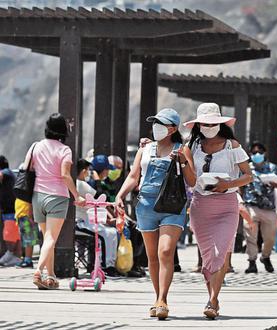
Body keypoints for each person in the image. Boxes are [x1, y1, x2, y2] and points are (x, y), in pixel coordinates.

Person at [115, 108, 196, 320]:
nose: (156, 126)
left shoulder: (182, 150)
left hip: (172, 206)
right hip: (145, 204)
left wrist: (183, 162)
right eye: (155, 122)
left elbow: (192, 181)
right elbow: (134, 176)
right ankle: (157, 297)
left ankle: (163, 299)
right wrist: (120, 196)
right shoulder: (145, 149)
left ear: (172, 129)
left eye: (161, 123)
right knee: (152, 256)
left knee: (165, 252)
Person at [185, 103, 252, 319]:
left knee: (219, 253)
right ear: (198, 125)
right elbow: (188, 176)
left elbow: (248, 175)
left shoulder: (232, 145)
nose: (209, 126)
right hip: (200, 205)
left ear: (220, 123)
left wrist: (227, 184)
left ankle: (212, 300)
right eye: (205, 123)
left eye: (213, 123)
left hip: (226, 205)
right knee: (207, 257)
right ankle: (212, 299)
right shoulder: (192, 145)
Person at [29, 113, 85, 289]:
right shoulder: (64, 150)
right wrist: (77, 196)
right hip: (57, 197)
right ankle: (38, 271)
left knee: (47, 238)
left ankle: (51, 276)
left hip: (38, 196)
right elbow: (64, 175)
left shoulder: (36, 147)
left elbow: (29, 169)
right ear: (63, 130)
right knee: (51, 238)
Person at [241, 141, 277, 274]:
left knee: (270, 237)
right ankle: (252, 261)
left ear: (264, 153)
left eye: (260, 152)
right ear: (250, 154)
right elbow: (240, 186)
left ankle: (265, 256)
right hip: (251, 206)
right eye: (254, 153)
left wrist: (274, 183)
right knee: (250, 235)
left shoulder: (273, 167)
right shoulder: (246, 168)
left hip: (269, 208)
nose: (257, 154)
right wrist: (241, 202)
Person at [76, 159, 121, 277]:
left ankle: (106, 265)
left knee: (109, 232)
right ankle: (107, 266)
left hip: (83, 220)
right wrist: (96, 180)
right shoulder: (81, 184)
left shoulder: (77, 183)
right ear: (83, 171)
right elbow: (100, 197)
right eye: (88, 171)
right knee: (108, 233)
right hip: (82, 222)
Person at [0, 155, 21, 267]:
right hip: (12, 208)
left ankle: (10, 253)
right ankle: (16, 257)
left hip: (9, 209)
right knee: (15, 233)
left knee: (9, 233)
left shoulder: (6, 172)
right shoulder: (10, 173)